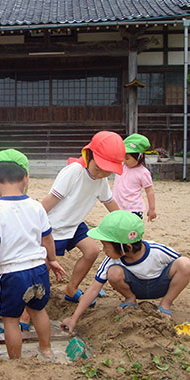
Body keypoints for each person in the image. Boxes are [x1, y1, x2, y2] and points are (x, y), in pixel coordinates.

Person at [61, 211, 190, 334]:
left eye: (106, 246)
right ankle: (129, 299)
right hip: (136, 288)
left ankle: (165, 304)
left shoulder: (157, 250)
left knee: (185, 262)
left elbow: (185, 268)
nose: (103, 250)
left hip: (160, 285)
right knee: (113, 272)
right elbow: (94, 288)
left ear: (125, 246)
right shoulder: (111, 261)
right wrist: (74, 318)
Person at [0, 149, 66, 359]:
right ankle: (46, 348)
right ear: (27, 178)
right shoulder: (36, 206)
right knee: (39, 311)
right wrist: (53, 260)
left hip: (11, 274)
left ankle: (15, 361)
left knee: (10, 319)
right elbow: (47, 238)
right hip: (38, 270)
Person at [41, 130, 125, 304]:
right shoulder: (74, 171)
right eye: (97, 168)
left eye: (106, 172)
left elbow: (109, 202)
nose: (100, 174)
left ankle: (71, 289)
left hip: (75, 224)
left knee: (92, 251)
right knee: (45, 265)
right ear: (89, 155)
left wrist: (124, 221)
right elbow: (50, 200)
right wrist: (34, 222)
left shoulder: (101, 180)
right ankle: (32, 305)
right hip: (54, 227)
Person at [112, 133, 157, 221]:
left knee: (131, 232)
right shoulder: (122, 165)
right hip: (117, 207)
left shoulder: (143, 173)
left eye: (127, 158)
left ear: (140, 157)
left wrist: (152, 209)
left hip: (134, 210)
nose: (124, 161)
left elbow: (149, 191)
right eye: (123, 157)